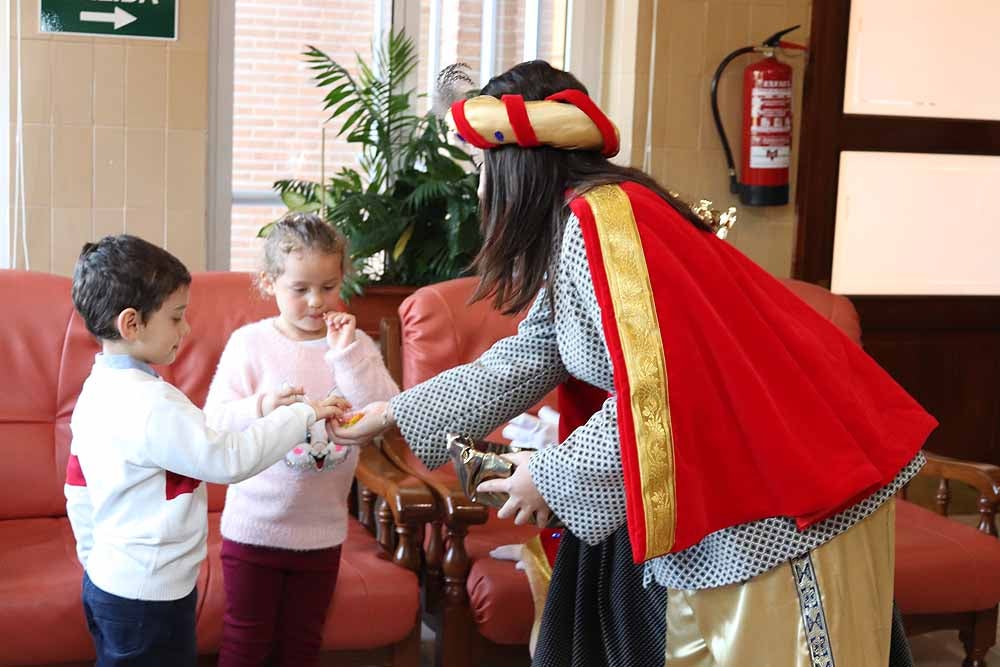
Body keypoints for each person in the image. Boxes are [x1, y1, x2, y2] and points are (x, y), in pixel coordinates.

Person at [330, 61, 935, 667]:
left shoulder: (607, 225)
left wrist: (548, 478)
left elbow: (663, 386)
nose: (481, 189)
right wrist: (393, 412)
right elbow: (535, 349)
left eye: (482, 168)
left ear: (517, 164)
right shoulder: (588, 219)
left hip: (780, 495)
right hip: (735, 472)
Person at [64, 235, 346, 667]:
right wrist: (301, 416)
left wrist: (260, 407)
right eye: (176, 317)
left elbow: (79, 487)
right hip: (150, 597)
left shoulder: (102, 390)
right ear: (131, 324)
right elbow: (229, 459)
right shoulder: (150, 404)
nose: (187, 329)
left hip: (109, 583)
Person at [203, 213, 399, 667]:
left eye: (328, 287)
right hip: (253, 529)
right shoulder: (249, 344)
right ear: (270, 283)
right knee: (245, 646)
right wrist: (263, 405)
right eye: (300, 289)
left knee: (302, 647)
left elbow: (387, 410)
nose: (316, 301)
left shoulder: (356, 346)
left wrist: (346, 357)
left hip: (322, 533)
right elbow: (213, 422)